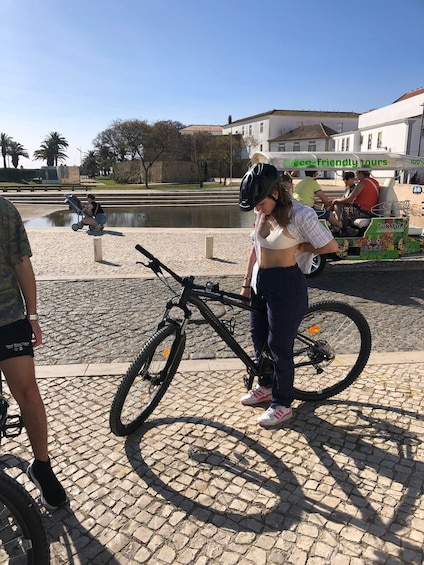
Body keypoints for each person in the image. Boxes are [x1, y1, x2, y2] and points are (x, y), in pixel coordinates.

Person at [239, 163, 339, 429]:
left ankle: (282, 403)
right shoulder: (262, 215)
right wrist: (246, 283)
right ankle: (266, 386)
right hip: (262, 283)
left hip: (287, 284)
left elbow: (331, 245)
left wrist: (300, 246)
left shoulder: (300, 215)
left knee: (280, 347)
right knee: (258, 338)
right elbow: (254, 249)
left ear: (274, 193)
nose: (257, 209)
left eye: (259, 203)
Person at [0, 197, 67, 510]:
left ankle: (42, 465)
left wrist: (33, 316)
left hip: (8, 317)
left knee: (28, 393)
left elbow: (21, 263)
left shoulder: (3, 210)